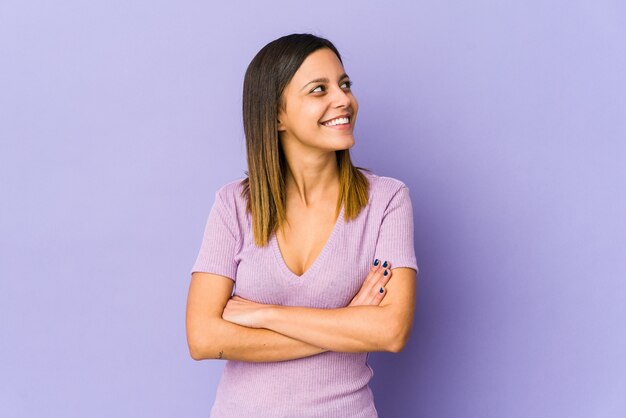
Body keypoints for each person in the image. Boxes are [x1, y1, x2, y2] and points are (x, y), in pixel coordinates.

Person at [185, 33, 419, 418]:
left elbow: (390, 331)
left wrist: (265, 314)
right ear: (277, 114)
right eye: (319, 89)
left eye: (344, 85)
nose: (343, 99)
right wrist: (347, 323)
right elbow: (203, 338)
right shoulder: (232, 205)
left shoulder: (387, 200)